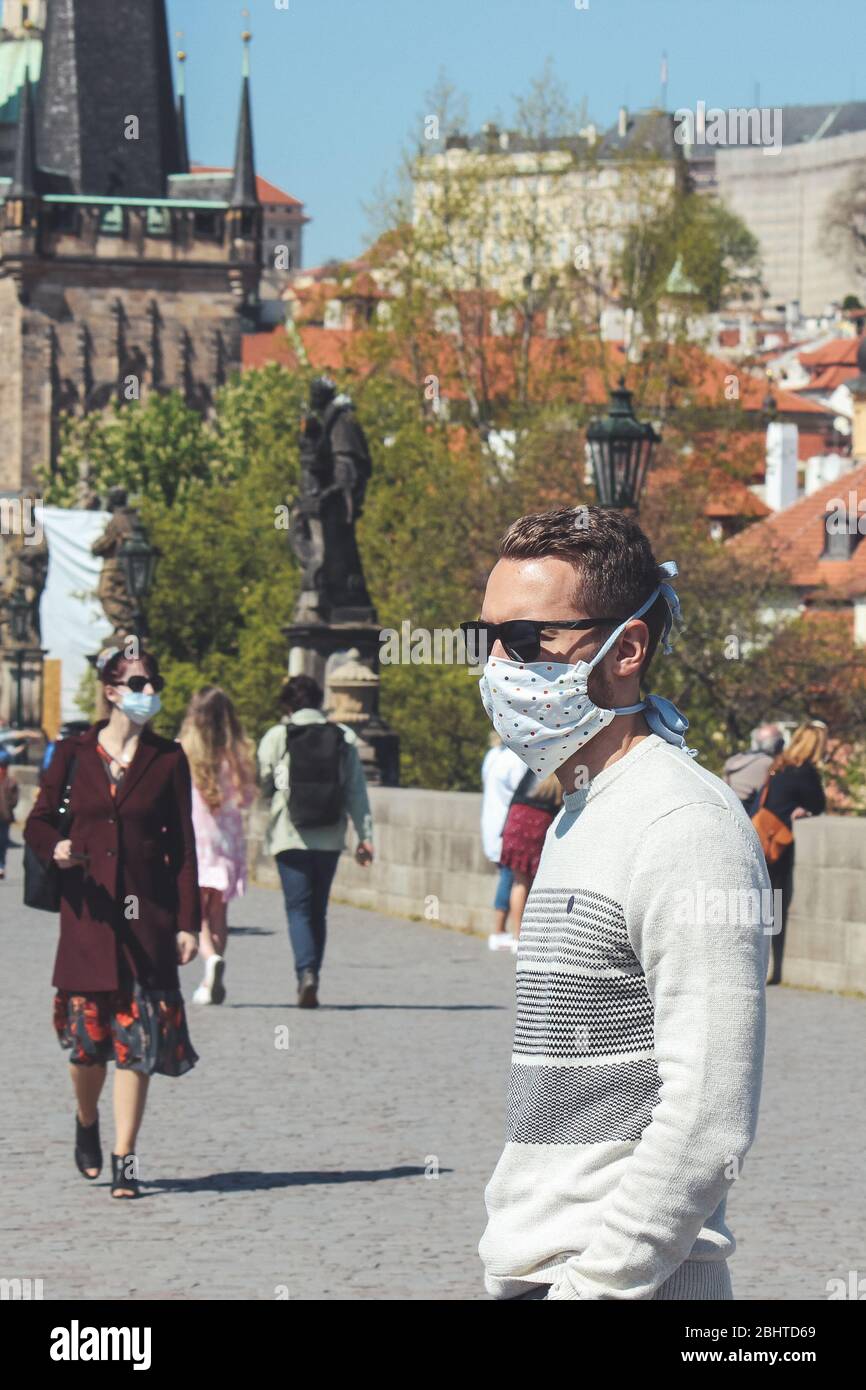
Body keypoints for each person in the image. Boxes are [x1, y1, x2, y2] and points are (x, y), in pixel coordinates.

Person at [464, 505, 770, 1301]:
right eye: (486, 638)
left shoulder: (685, 824)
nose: (497, 663)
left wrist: (594, 1288)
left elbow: (708, 1119)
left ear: (625, 649)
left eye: (527, 641)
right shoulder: (581, 809)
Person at [24, 645, 200, 1200]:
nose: (151, 692)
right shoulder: (72, 754)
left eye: (155, 682)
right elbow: (37, 821)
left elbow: (185, 848)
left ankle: (125, 1157)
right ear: (111, 690)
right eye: (140, 682)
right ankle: (86, 1119)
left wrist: (188, 922)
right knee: (85, 1049)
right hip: (88, 918)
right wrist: (56, 848)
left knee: (136, 1043)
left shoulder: (168, 758)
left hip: (147, 920)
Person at [257, 674, 374, 1008]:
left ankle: (305, 972)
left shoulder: (278, 736)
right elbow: (356, 792)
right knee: (318, 910)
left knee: (298, 909)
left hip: (289, 834)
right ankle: (314, 975)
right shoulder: (343, 737)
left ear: (288, 704)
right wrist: (365, 837)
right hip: (329, 834)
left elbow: (265, 779)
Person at [179, 687, 256, 1006]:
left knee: (199, 917)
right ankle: (213, 972)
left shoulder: (183, 751)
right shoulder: (238, 755)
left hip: (197, 841)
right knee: (219, 912)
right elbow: (248, 798)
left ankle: (210, 962)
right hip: (227, 842)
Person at [757, 720, 827, 986]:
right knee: (778, 908)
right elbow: (819, 803)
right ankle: (775, 969)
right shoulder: (805, 772)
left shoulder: (779, 766)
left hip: (765, 841)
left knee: (766, 906)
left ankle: (765, 966)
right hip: (782, 846)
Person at [499, 768, 564, 936]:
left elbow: (515, 796)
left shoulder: (534, 767)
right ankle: (532, 933)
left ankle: (518, 935)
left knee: (519, 883)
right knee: (537, 883)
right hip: (540, 822)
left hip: (516, 817)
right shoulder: (563, 776)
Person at [480, 732, 525, 944]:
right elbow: (524, 792)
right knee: (511, 878)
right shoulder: (516, 760)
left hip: (492, 823)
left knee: (506, 876)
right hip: (507, 826)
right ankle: (498, 930)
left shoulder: (492, 755)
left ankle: (500, 930)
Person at [723, 723, 784, 807]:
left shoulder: (733, 760)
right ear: (777, 744)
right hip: (750, 811)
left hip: (730, 805)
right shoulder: (769, 763)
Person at [0, 747, 19, 879]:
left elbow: (14, 799)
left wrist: (9, 806)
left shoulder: (10, 781)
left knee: (2, 842)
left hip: (4, 817)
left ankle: (1, 866)